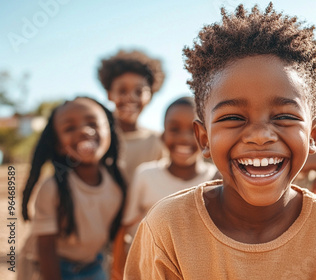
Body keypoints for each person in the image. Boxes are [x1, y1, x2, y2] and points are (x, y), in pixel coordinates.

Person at [124, 3, 316, 279]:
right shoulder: (168, 227)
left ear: (314, 133)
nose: (259, 135)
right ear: (204, 138)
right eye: (233, 117)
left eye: (284, 116)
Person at [19, 97, 127, 280]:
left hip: (93, 265)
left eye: (93, 123)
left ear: (109, 129)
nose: (84, 131)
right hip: (49, 268)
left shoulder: (117, 184)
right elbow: (45, 248)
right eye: (69, 128)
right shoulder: (52, 188)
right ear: (59, 145)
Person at [111, 97, 218, 279]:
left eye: (193, 130)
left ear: (206, 137)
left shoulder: (216, 179)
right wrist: (117, 271)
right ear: (162, 135)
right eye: (174, 129)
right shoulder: (145, 175)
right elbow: (125, 228)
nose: (184, 138)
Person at [97, 49, 166, 184]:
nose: (130, 98)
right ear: (110, 94)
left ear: (150, 96)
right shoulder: (99, 138)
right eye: (122, 91)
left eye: (139, 91)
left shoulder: (157, 142)